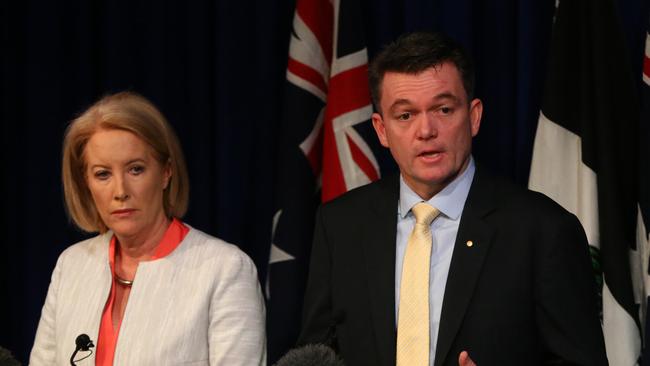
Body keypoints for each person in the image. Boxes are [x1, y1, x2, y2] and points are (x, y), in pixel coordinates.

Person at [298, 32, 607, 366]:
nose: (426, 130)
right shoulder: (341, 224)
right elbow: (316, 355)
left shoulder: (543, 230)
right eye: (405, 115)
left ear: (473, 116)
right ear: (381, 129)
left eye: (443, 109)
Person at [30, 92, 266, 365]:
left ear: (166, 172)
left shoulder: (225, 270)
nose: (120, 191)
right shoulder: (71, 265)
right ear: (86, 183)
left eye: (136, 170)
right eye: (103, 174)